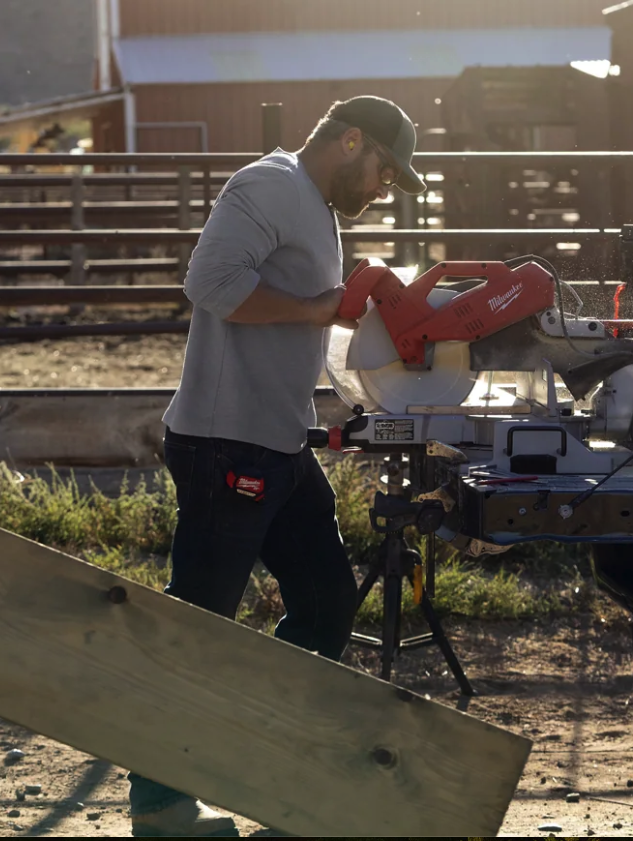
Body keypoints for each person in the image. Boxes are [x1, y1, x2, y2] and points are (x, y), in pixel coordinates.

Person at [128, 96, 427, 837]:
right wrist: (326, 306)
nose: (384, 187)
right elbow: (212, 286)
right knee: (197, 624)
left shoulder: (315, 205)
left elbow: (302, 309)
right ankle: (160, 809)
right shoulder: (267, 184)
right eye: (383, 170)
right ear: (349, 140)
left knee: (327, 603)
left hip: (278, 441)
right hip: (225, 443)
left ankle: (267, 767)